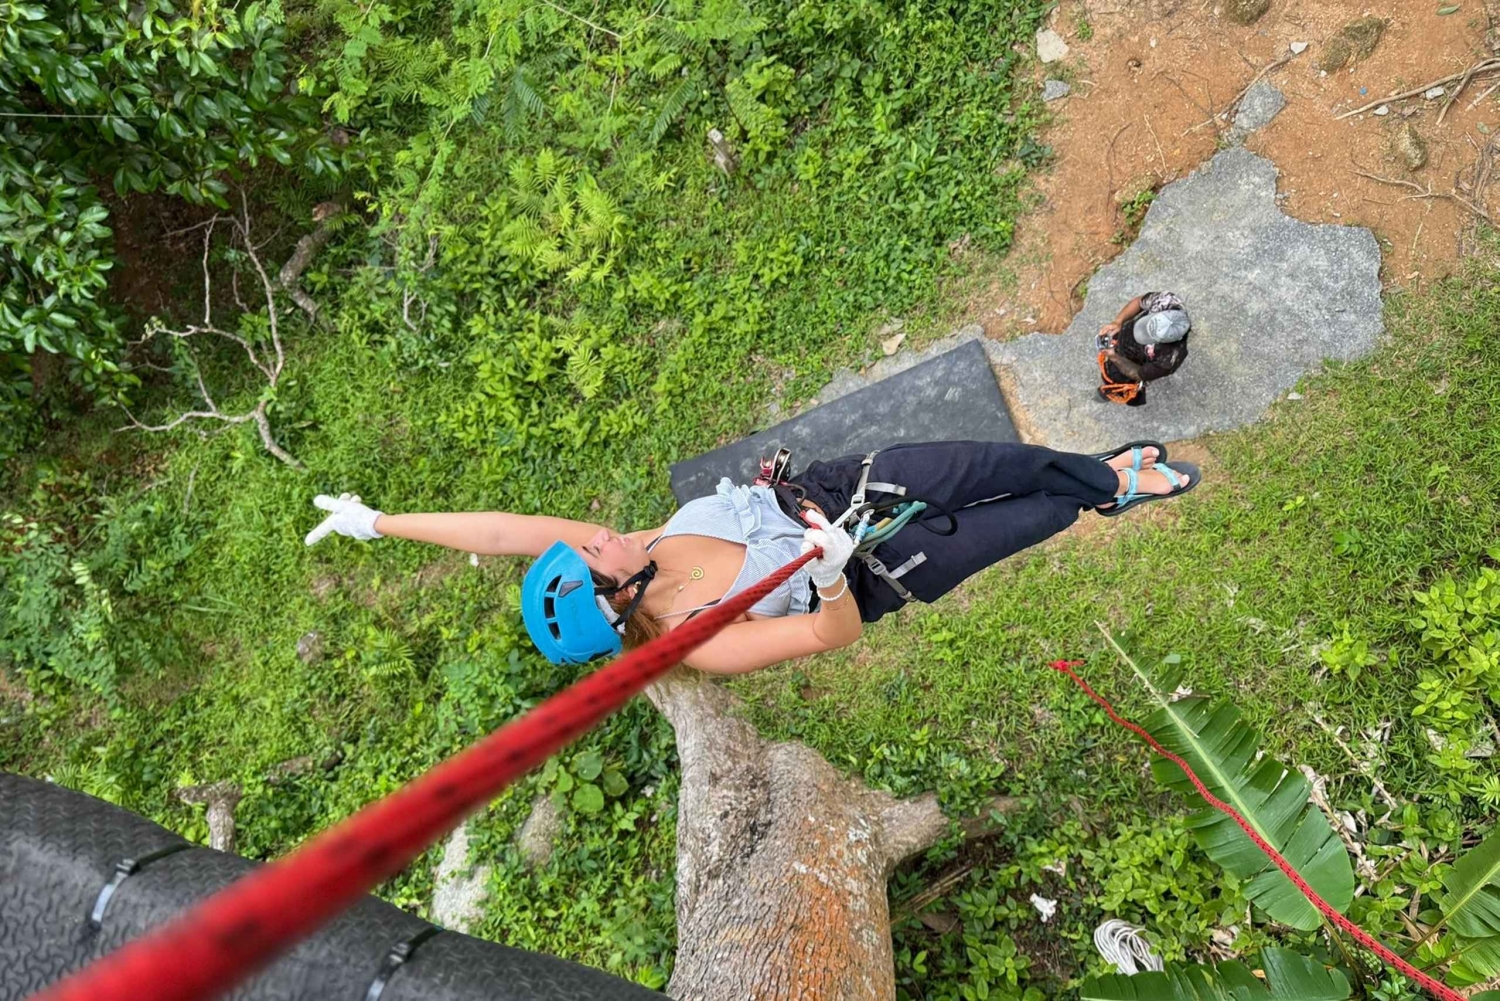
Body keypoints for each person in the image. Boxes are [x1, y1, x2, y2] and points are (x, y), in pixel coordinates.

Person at [305, 442, 1198, 675]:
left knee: (994, 462)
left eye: (582, 540)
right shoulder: (700, 637)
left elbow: (498, 529)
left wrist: (378, 522)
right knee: (1028, 519)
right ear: (622, 595)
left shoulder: (633, 551)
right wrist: (821, 575)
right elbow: (828, 639)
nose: (592, 530)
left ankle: (1103, 473)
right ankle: (1095, 496)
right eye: (592, 549)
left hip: (841, 487)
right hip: (875, 569)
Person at [1095, 291, 1191, 407]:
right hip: (1123, 337)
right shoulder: (1166, 302)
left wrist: (1114, 357)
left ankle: (1115, 390)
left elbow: (1139, 374)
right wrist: (1118, 322)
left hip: (1133, 363)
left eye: (1147, 336)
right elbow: (1138, 303)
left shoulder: (1169, 359)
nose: (1141, 333)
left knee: (1118, 377)